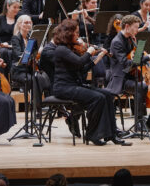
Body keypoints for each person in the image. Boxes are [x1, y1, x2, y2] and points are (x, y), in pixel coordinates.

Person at [47, 17, 123, 145]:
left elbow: (81, 69)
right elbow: (79, 63)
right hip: (64, 88)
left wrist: (96, 59)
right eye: (76, 33)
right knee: (97, 98)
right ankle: (92, 134)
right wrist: (88, 52)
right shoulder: (61, 49)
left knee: (108, 95)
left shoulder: (71, 49)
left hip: (74, 85)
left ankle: (111, 134)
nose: (78, 35)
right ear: (68, 33)